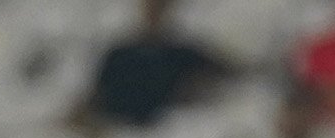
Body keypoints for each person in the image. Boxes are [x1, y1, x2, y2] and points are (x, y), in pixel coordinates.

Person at [85, 0, 231, 130]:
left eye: (160, 7)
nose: (154, 14)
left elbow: (225, 76)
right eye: (150, 6)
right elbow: (95, 99)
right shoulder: (119, 55)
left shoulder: (184, 55)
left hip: (168, 135)